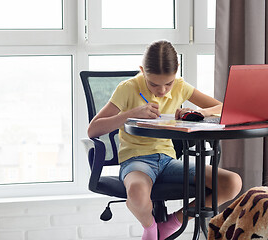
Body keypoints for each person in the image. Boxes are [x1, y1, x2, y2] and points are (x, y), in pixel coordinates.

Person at [87, 40, 242, 240]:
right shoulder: (127, 88)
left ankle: (173, 222)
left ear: (176, 73)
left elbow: (223, 107)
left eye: (168, 83)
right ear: (142, 71)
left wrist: (199, 111)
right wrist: (131, 114)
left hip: (169, 161)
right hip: (136, 161)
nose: (161, 91)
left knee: (232, 182)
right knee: (136, 193)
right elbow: (93, 129)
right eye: (153, 84)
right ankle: (151, 228)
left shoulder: (180, 87)